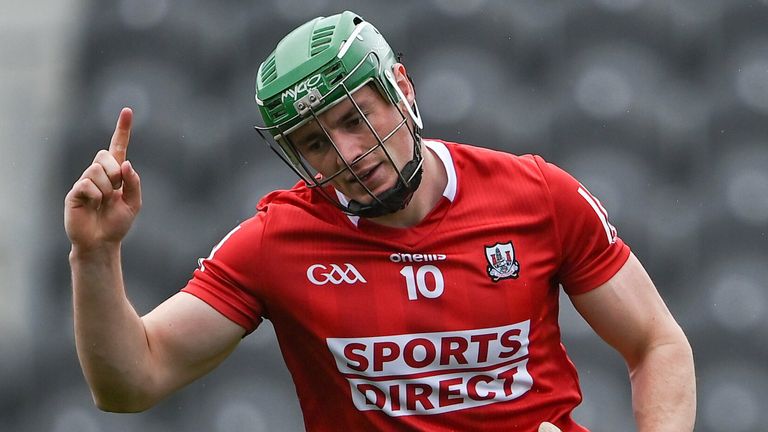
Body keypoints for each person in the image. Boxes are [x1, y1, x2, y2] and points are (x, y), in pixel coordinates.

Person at [65, 11, 695, 432]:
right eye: (315, 143)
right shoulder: (275, 245)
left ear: (402, 88)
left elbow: (658, 344)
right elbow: (132, 383)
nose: (346, 155)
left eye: (355, 119)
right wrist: (94, 255)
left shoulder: (538, 195)